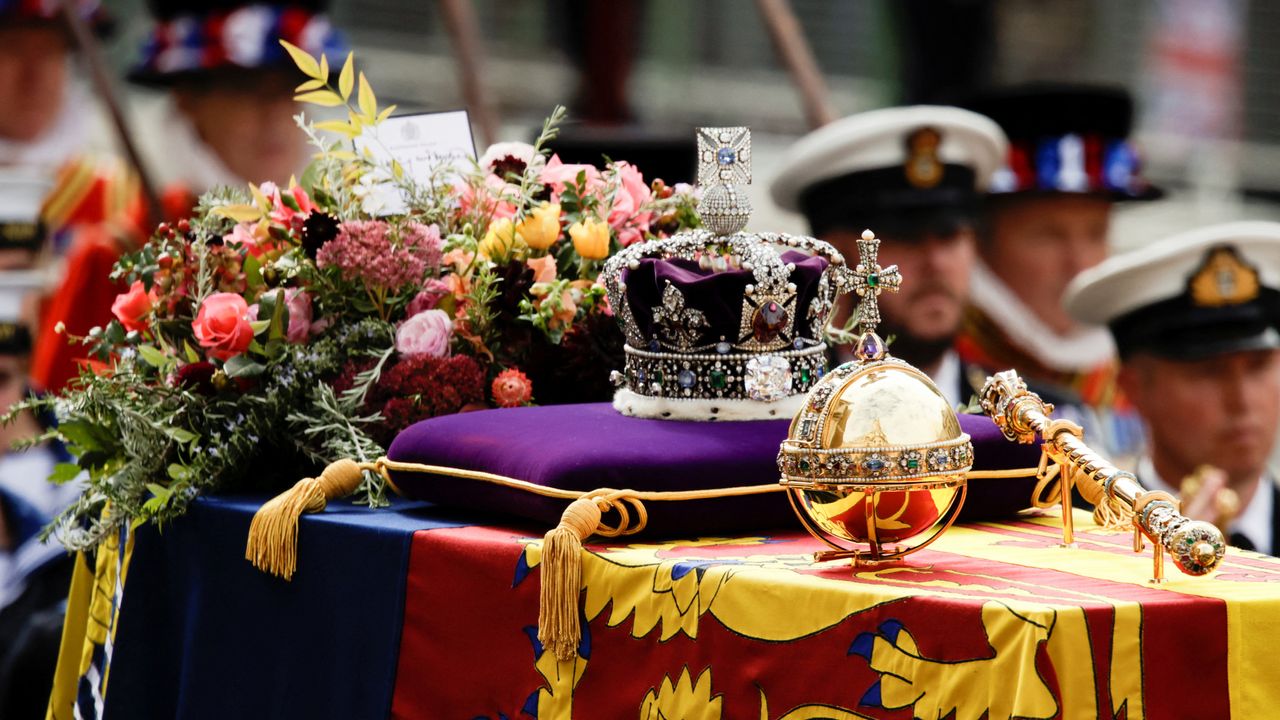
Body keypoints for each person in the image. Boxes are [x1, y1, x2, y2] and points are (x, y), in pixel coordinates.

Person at [33, 0, 348, 393]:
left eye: (289, 89)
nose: (274, 114)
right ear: (187, 98)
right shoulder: (118, 256)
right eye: (246, 88)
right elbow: (58, 435)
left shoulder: (336, 250)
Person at [1064, 221, 1280, 555]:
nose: (1241, 399)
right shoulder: (1082, 537)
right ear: (1134, 387)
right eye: (1208, 372)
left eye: (1259, 366)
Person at [770, 105, 1006, 406]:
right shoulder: (783, 414)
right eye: (904, 238)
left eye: (949, 237)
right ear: (831, 257)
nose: (936, 263)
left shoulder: (1025, 423)